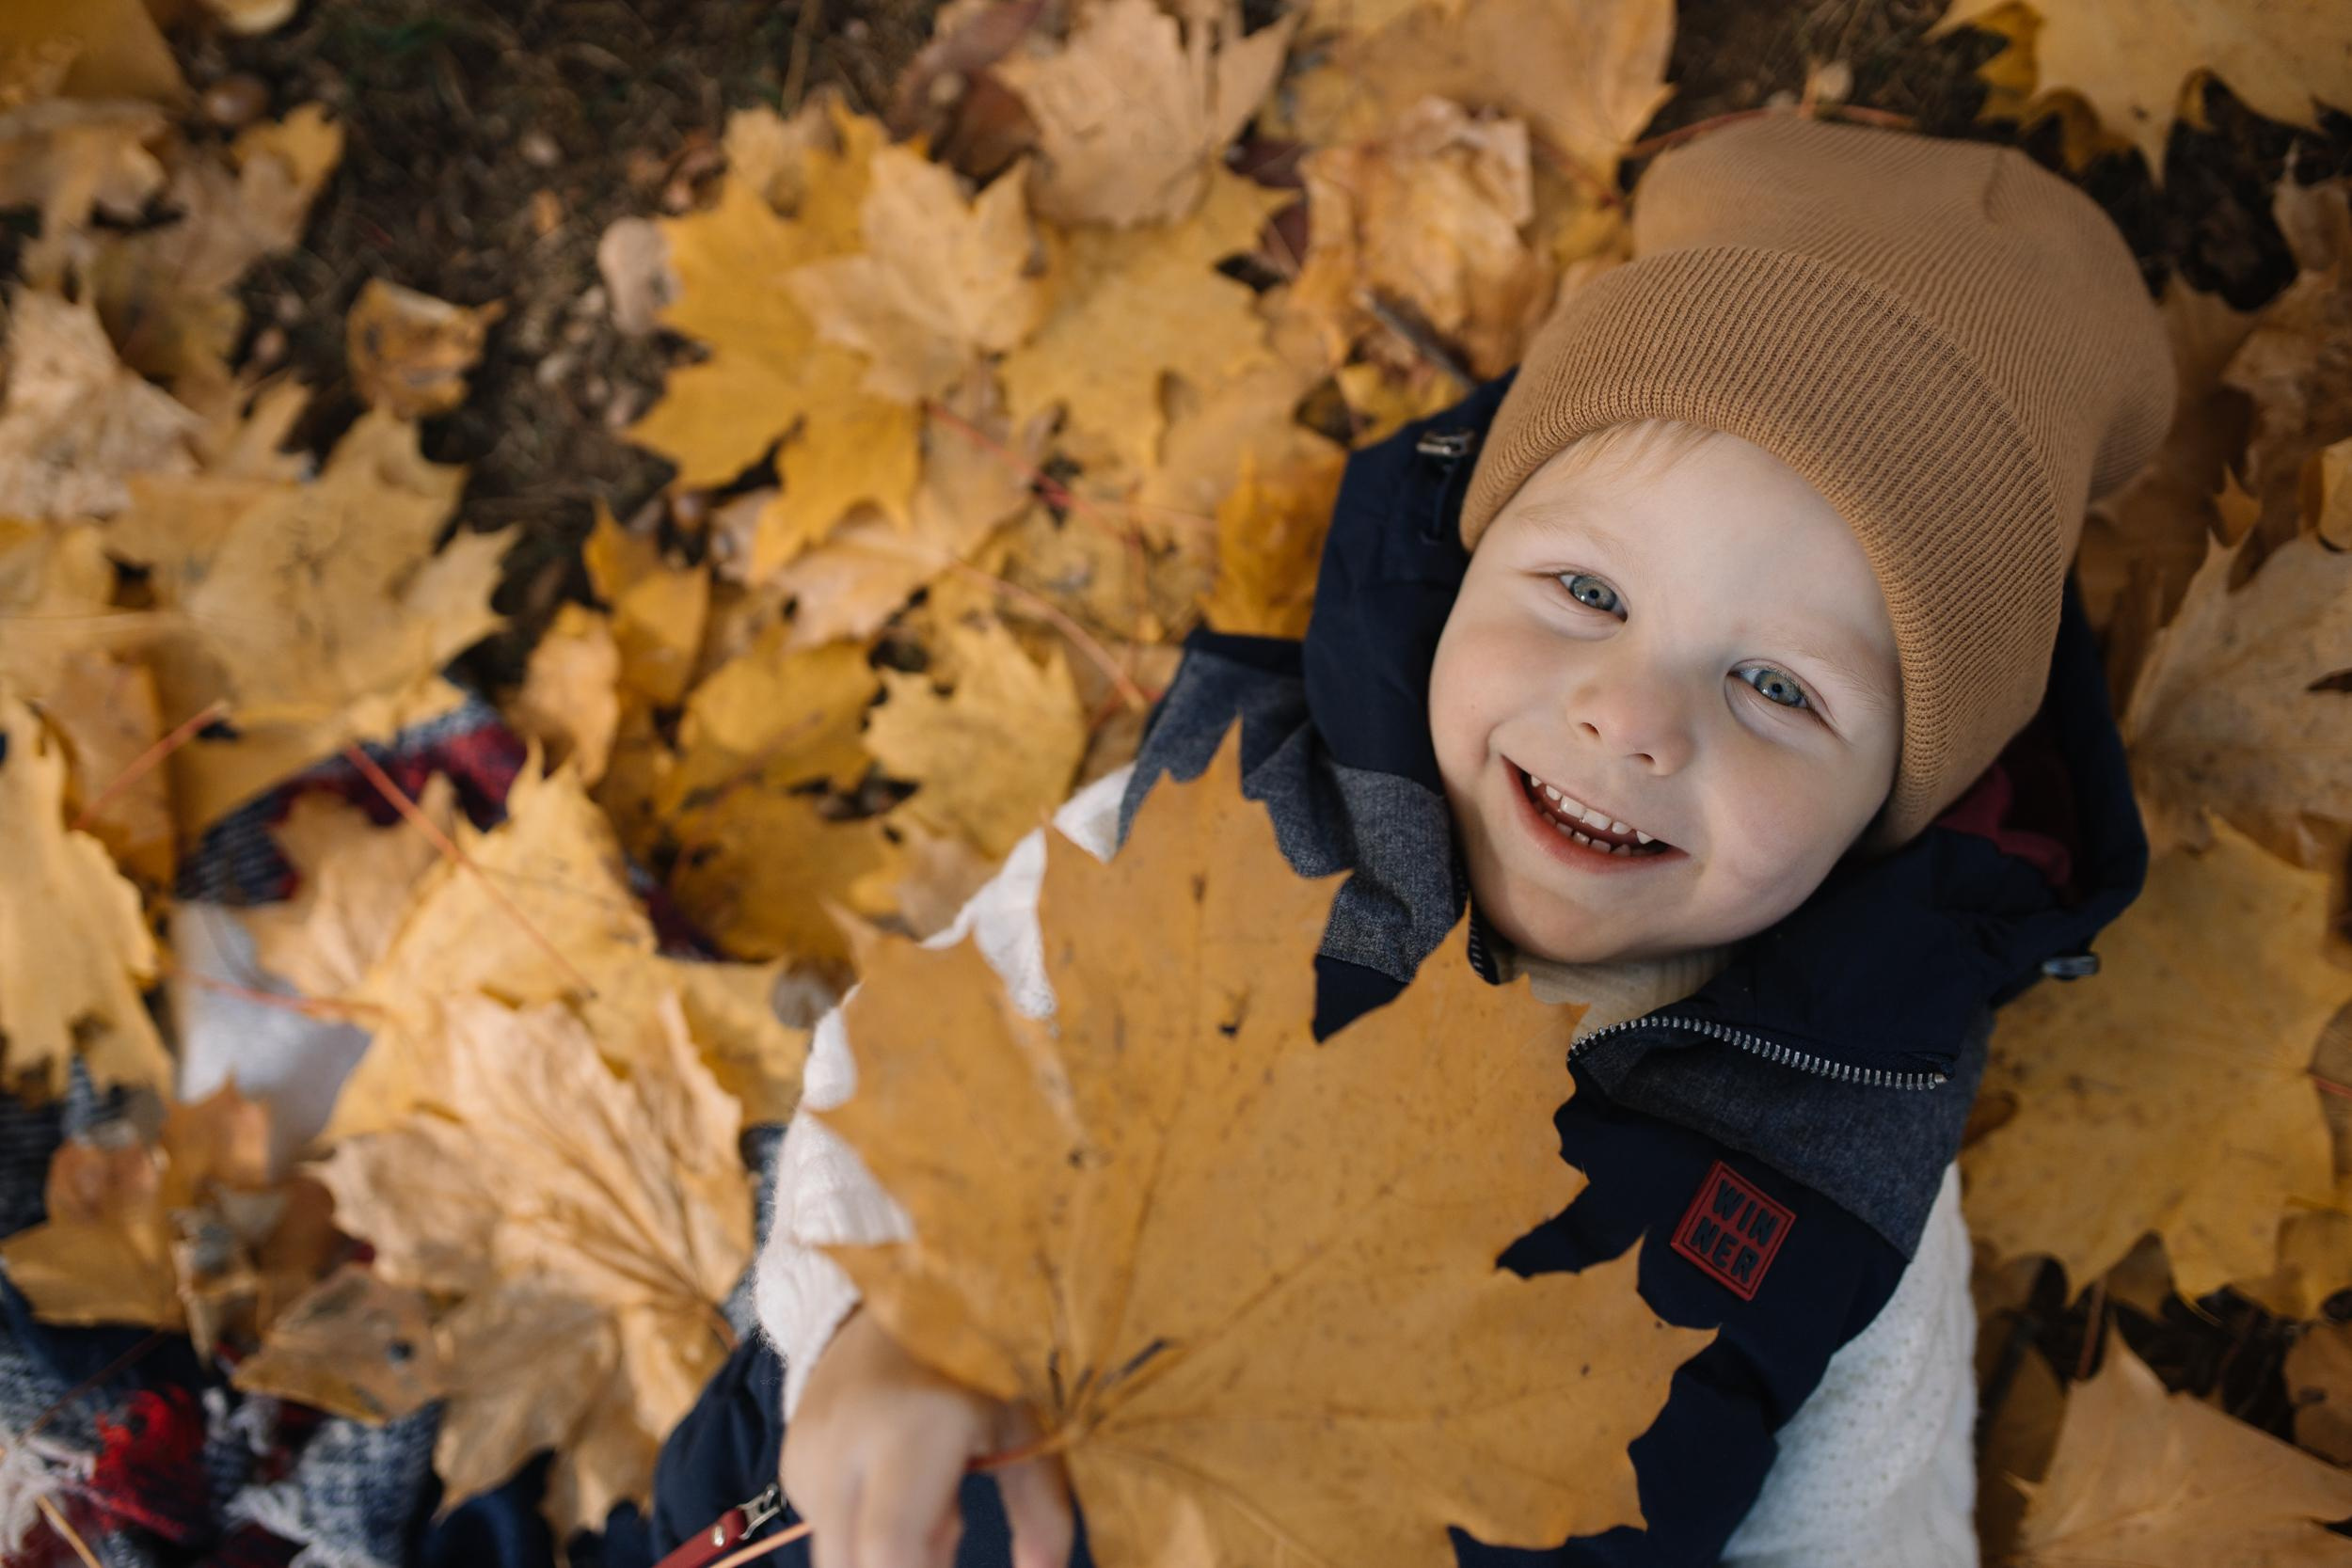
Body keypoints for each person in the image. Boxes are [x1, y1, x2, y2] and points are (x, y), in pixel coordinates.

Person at [638, 110, 2173, 1568]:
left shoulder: (1846, 1157)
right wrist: (887, 1332)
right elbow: (913, 1078)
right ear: (1469, 559)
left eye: (1776, 688)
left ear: (1899, 802)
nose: (1633, 717)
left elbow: (1871, 1532)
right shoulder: (1221, 831)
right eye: (1586, 594)